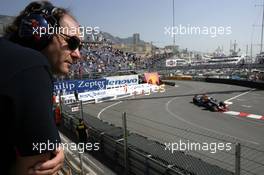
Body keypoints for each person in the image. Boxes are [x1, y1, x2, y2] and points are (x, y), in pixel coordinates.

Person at [0, 1, 82, 174]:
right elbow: (37, 167)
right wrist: (52, 151)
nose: (77, 55)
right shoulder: (32, 65)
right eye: (73, 43)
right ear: (42, 31)